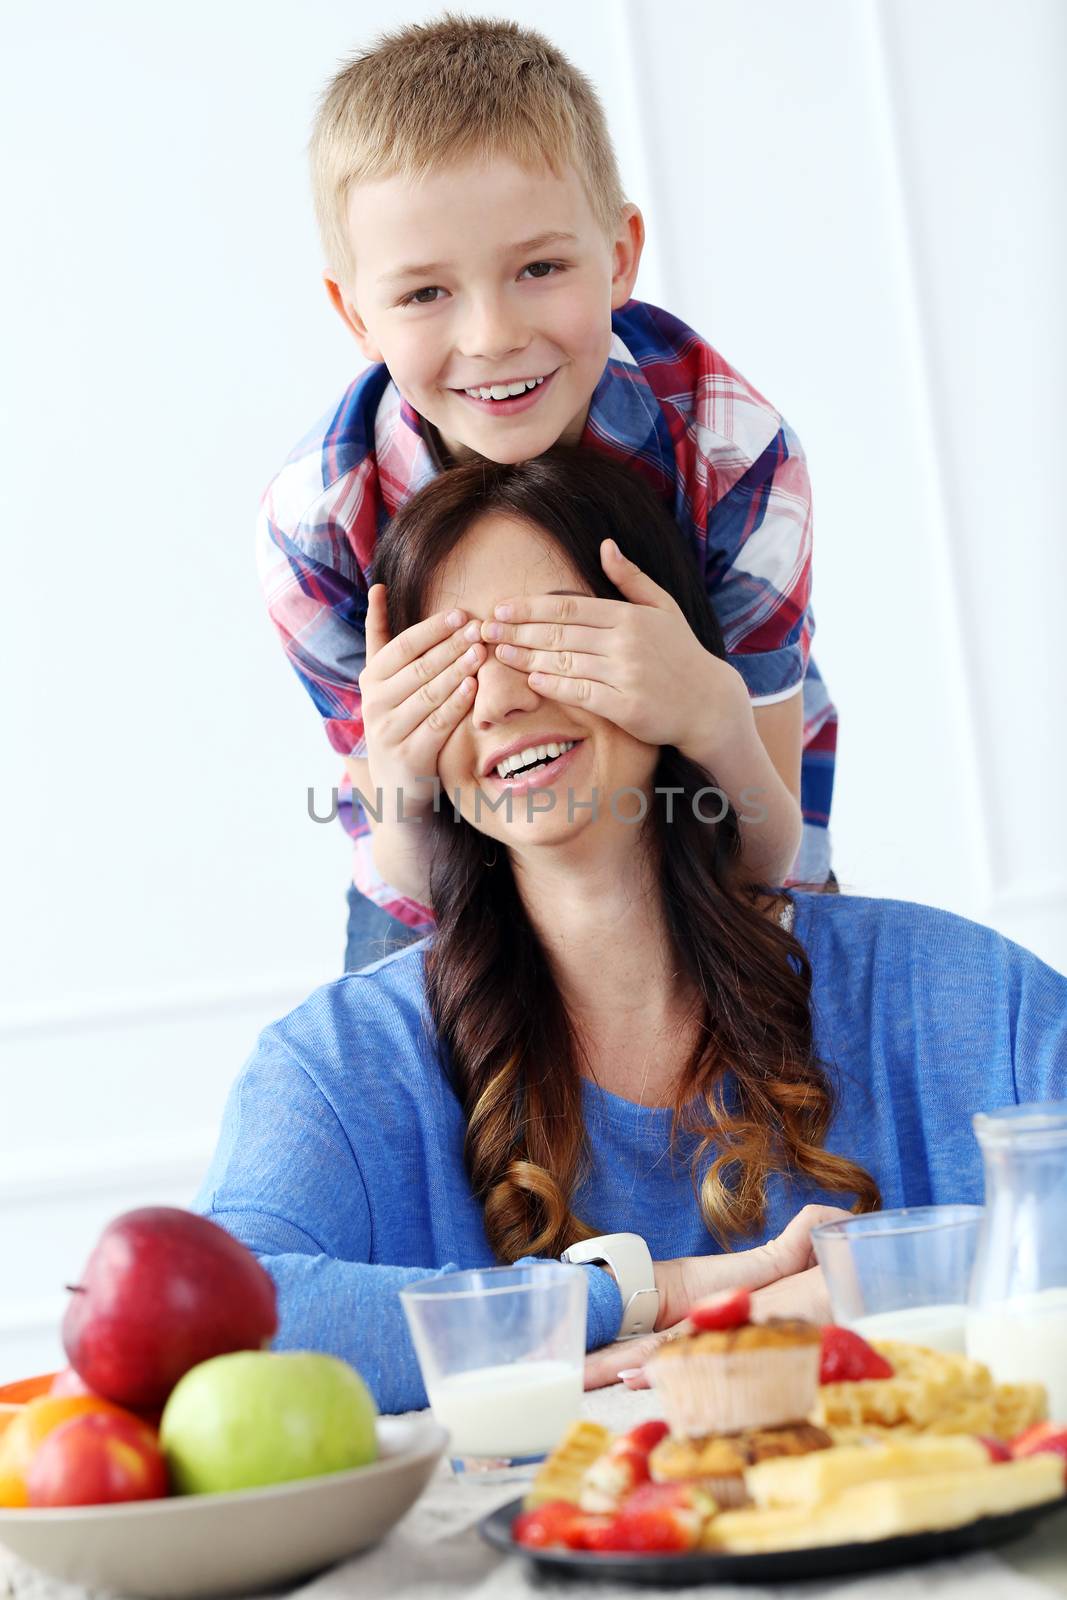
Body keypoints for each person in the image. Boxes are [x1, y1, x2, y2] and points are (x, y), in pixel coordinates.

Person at [199, 453, 1067, 1413]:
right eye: (449, 668)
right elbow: (220, 1324)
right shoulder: (337, 1065)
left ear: (676, 663)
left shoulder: (965, 997)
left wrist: (885, 1290)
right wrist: (643, 1296)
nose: (499, 701)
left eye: (546, 639)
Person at [258, 15, 838, 973]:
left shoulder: (734, 457)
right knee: (400, 1085)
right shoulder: (316, 527)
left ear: (617, 256)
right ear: (355, 313)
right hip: (446, 878)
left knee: (797, 1042)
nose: (490, 335)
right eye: (422, 294)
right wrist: (401, 774)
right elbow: (412, 874)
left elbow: (766, 853)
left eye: (540, 268)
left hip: (712, 827)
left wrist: (708, 713)